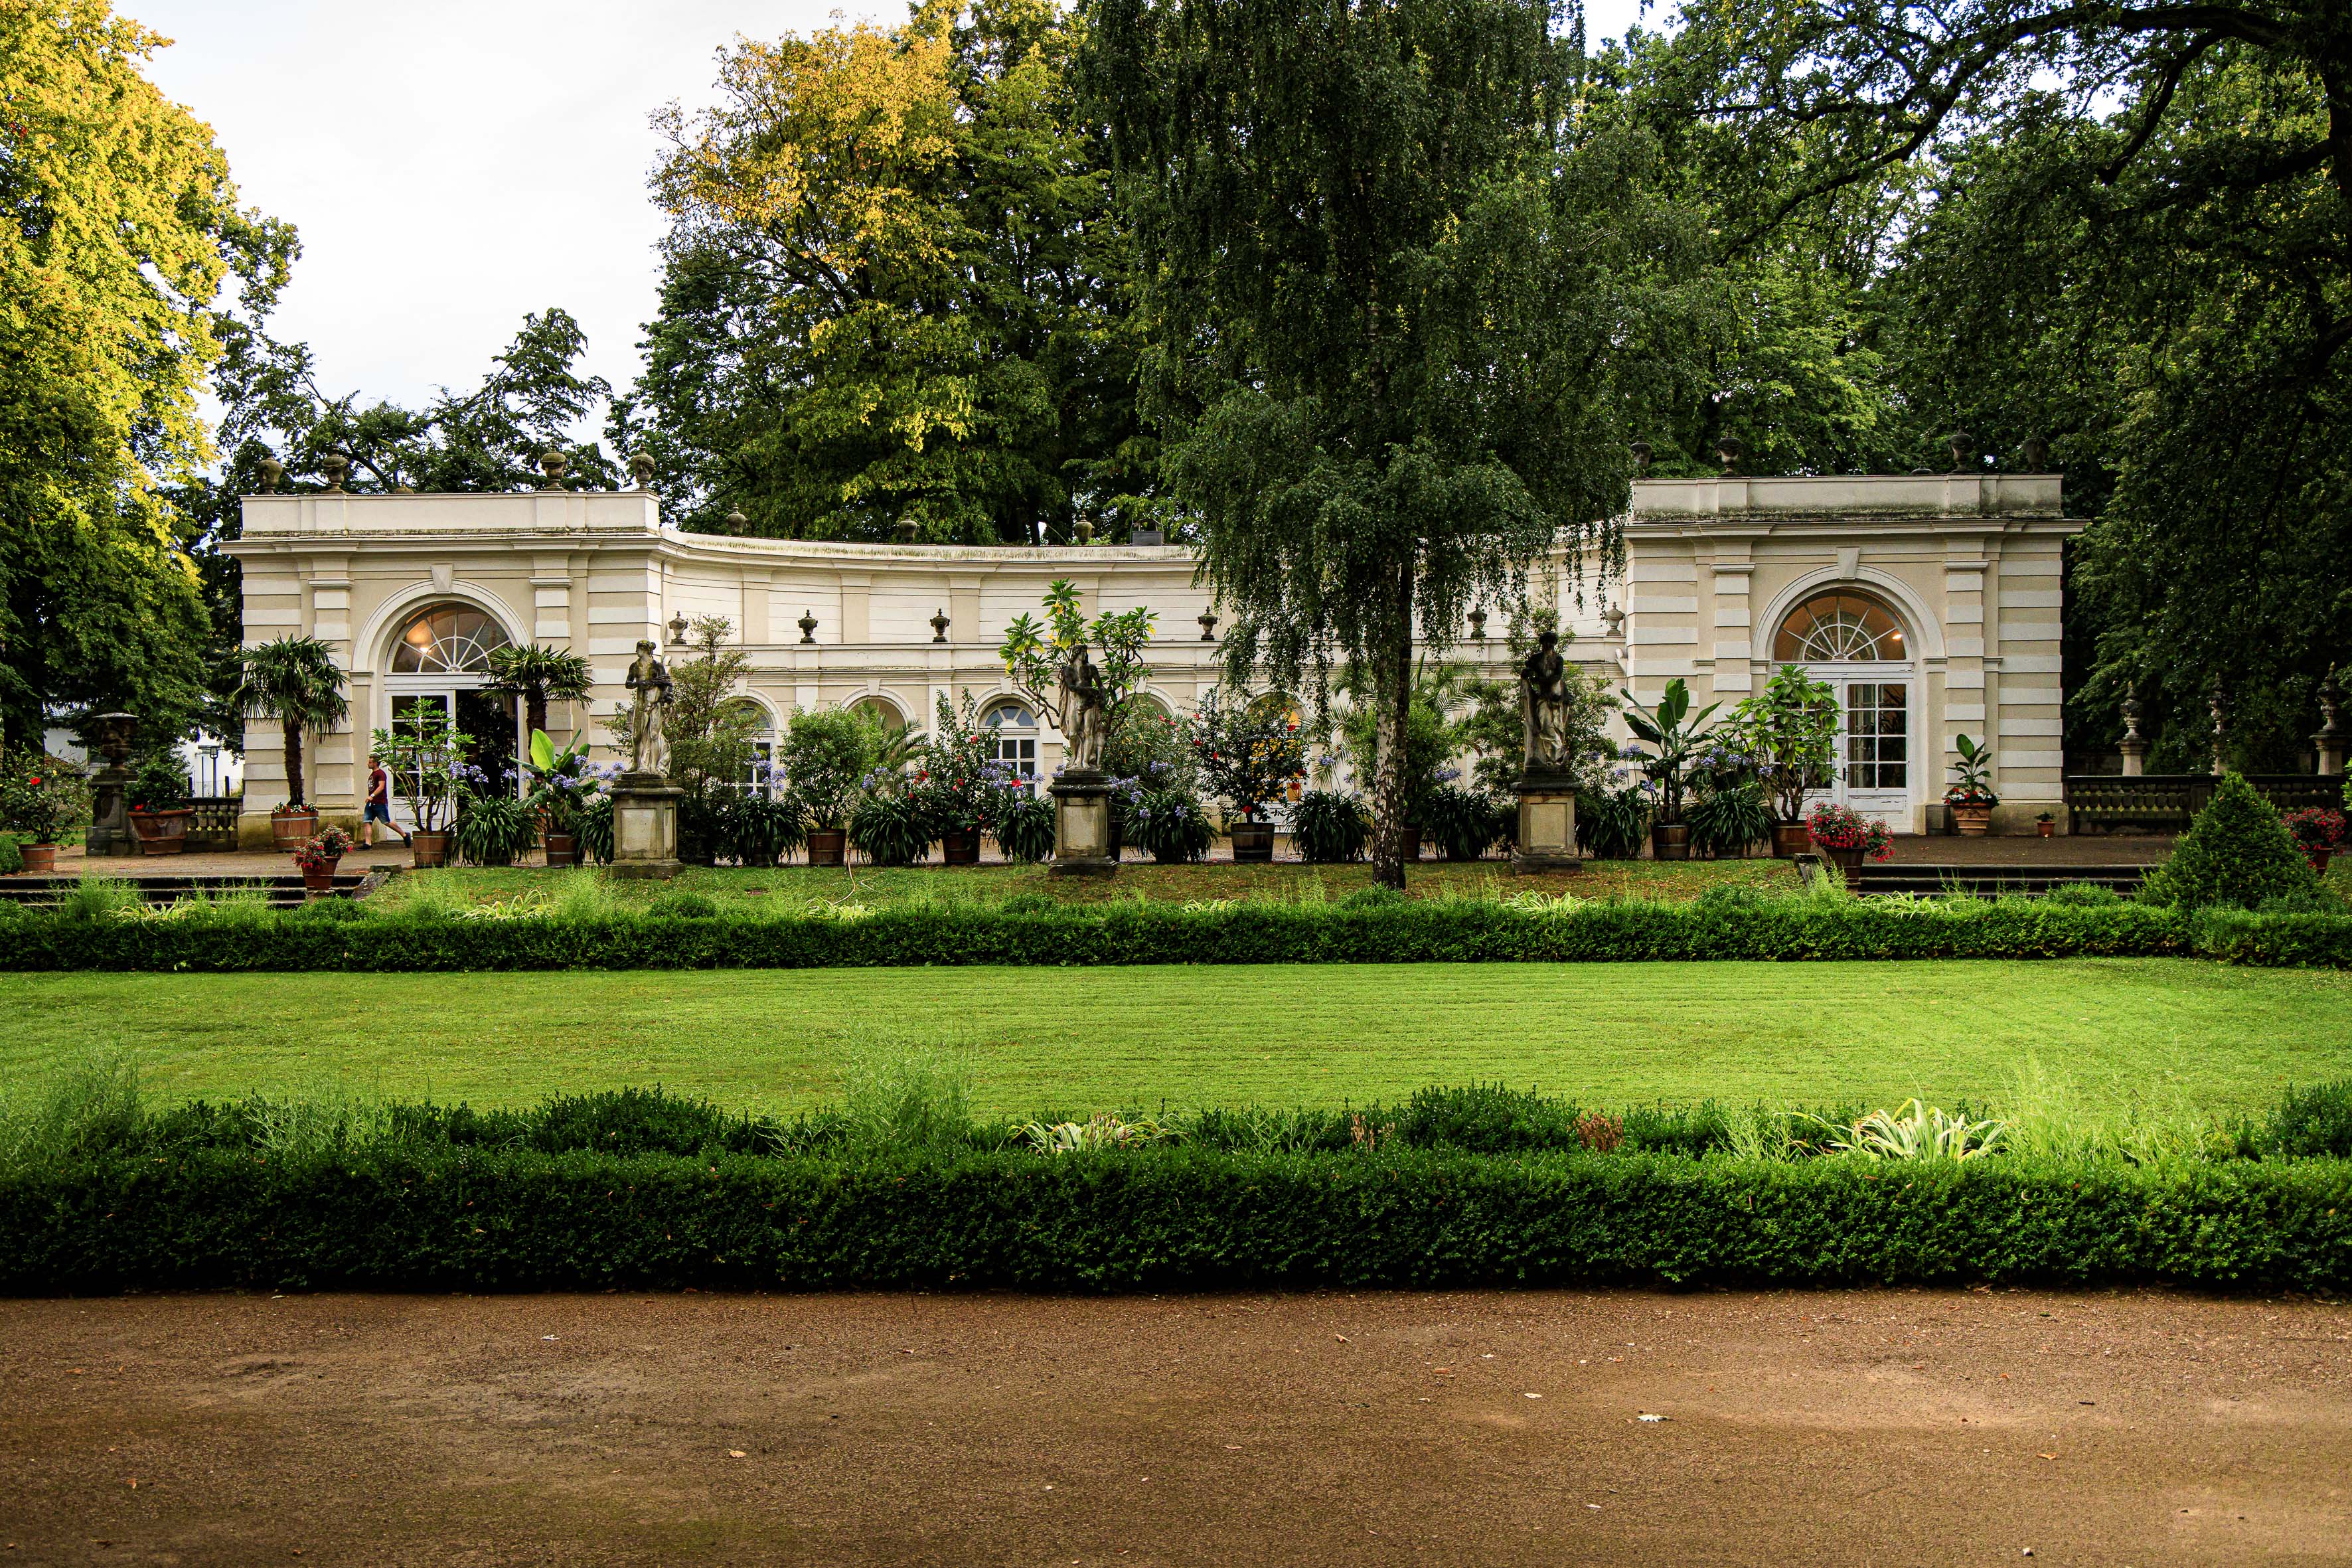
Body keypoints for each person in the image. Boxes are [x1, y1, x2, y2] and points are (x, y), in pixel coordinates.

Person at [363, 753, 410, 848]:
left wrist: (372, 796)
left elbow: (381, 787)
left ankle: (404, 835)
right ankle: (368, 843)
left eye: (370, 762)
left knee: (386, 822)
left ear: (376, 763)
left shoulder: (381, 774)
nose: (368, 764)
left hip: (380, 802)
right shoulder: (373, 774)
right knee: (367, 821)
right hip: (371, 804)